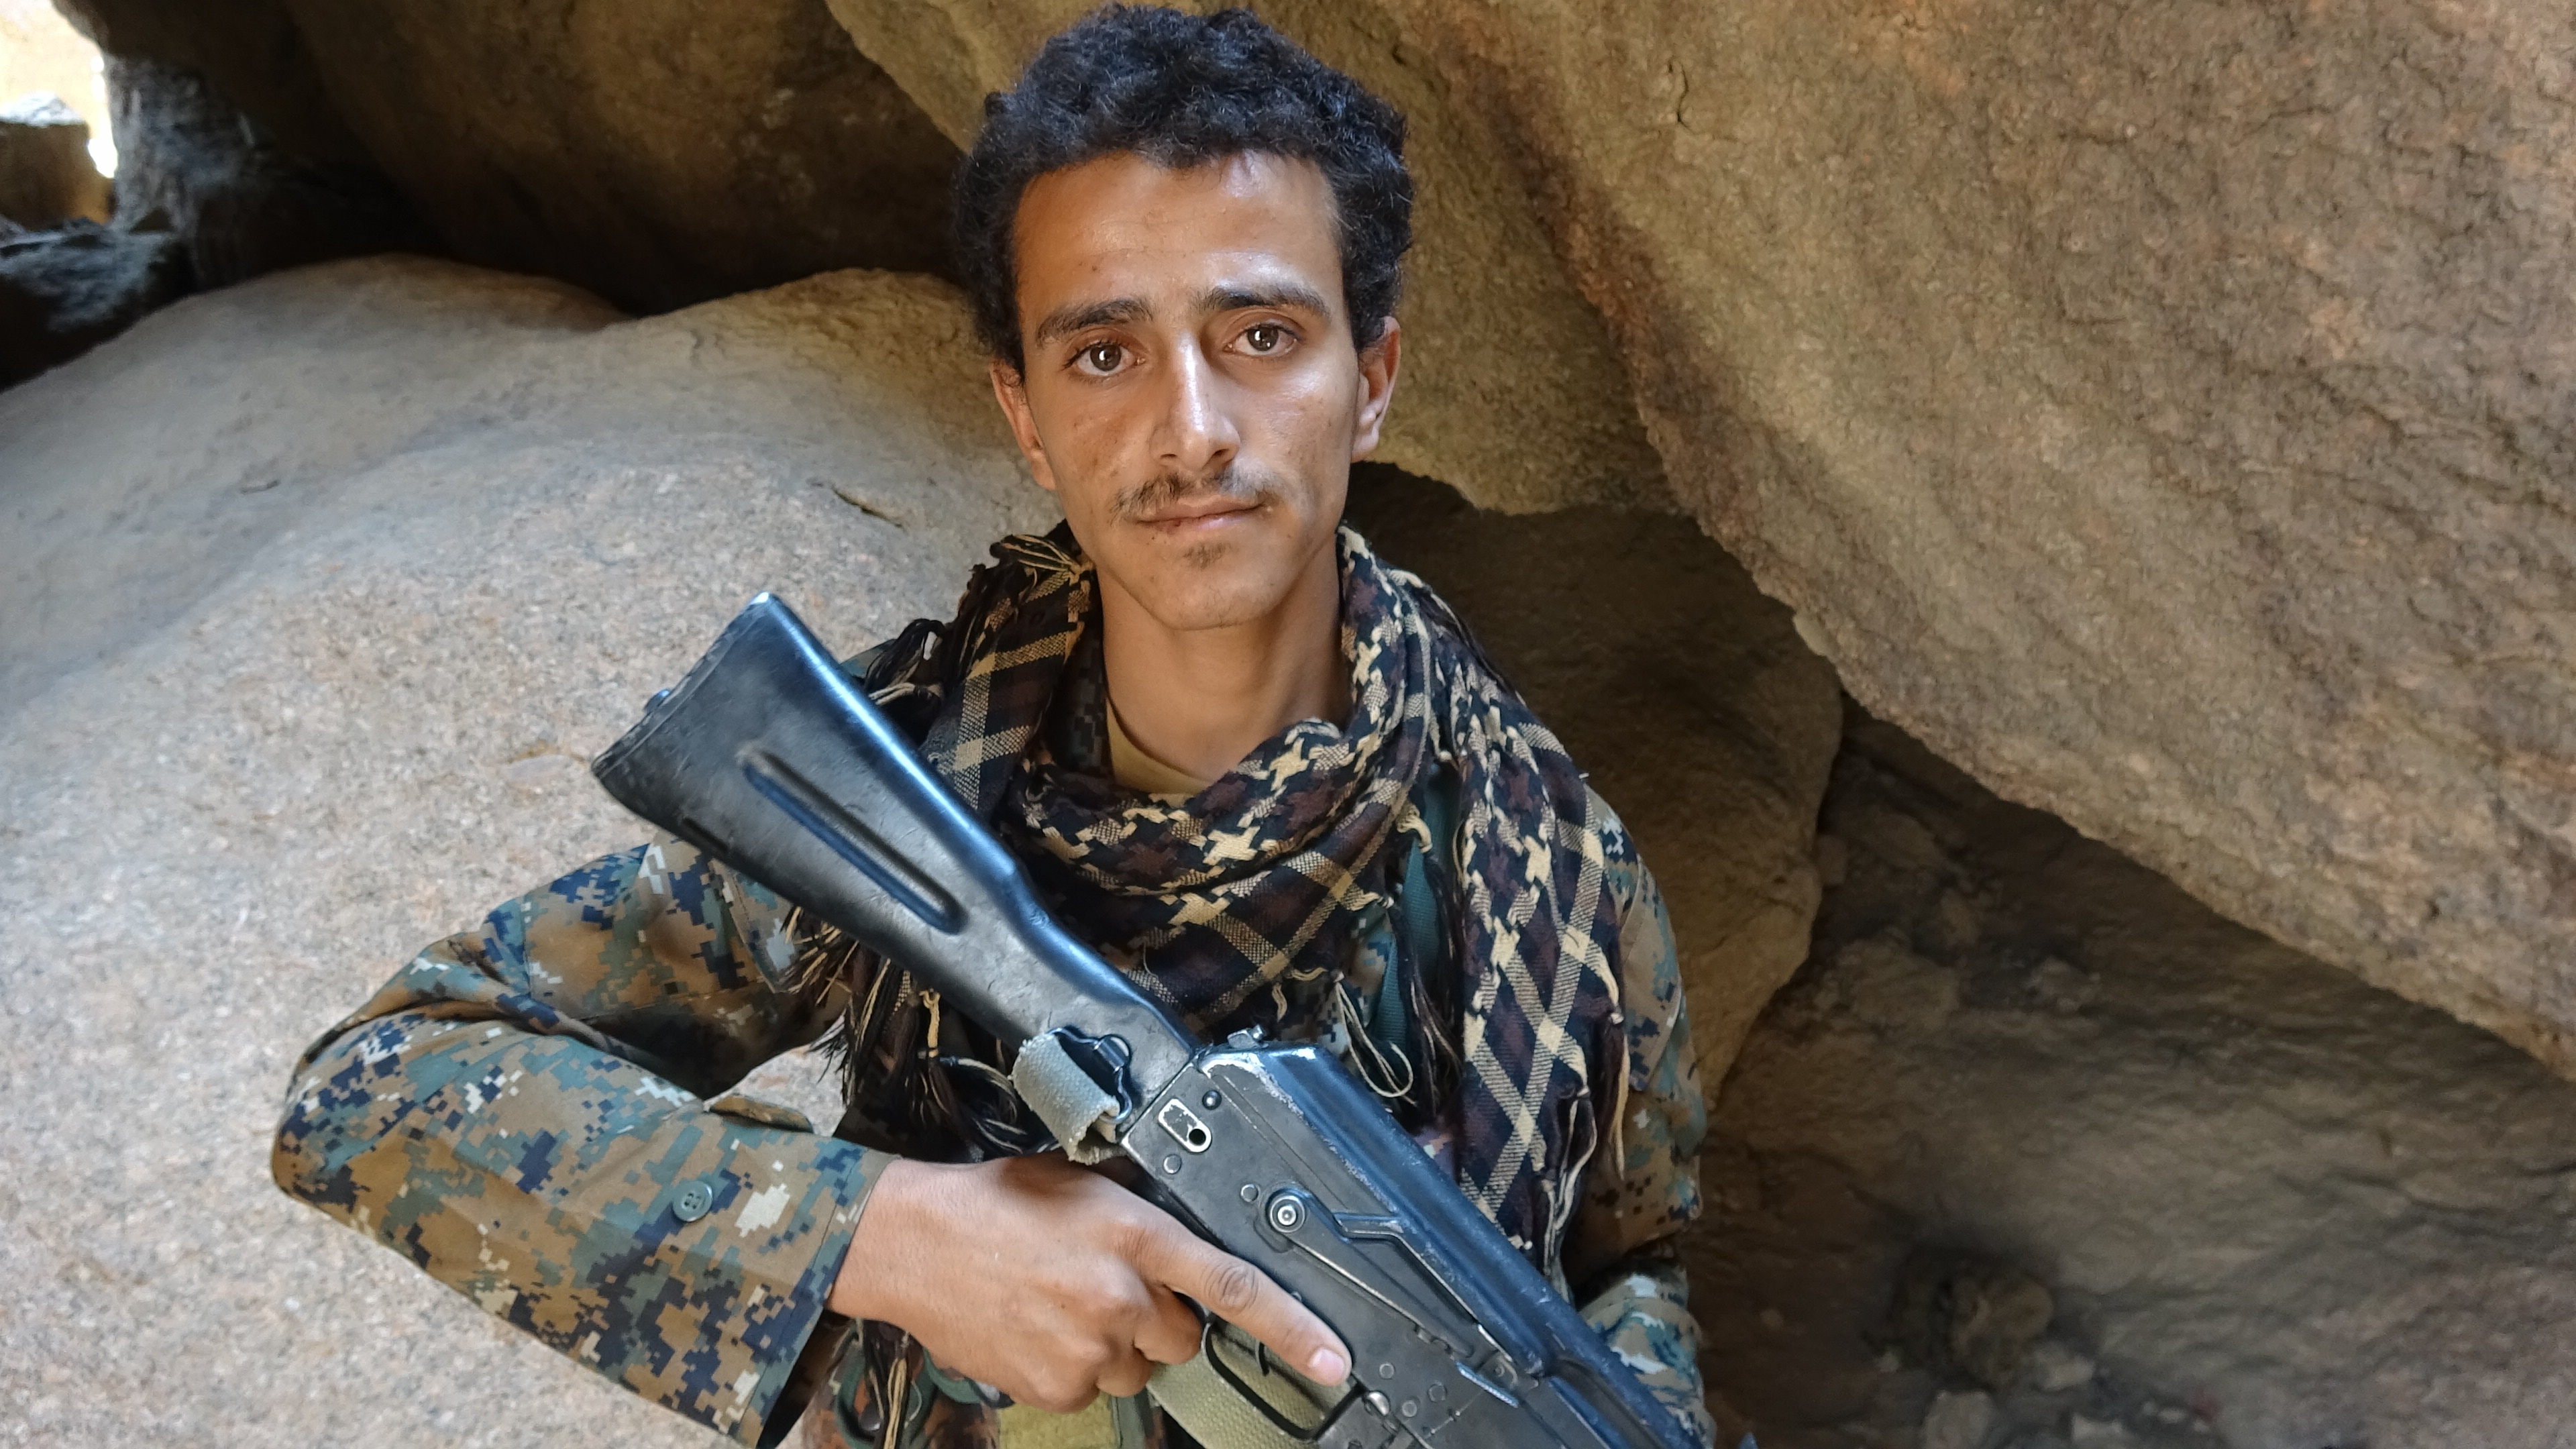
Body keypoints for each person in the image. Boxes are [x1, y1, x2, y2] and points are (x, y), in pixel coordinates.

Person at [270, 9, 1715, 1448]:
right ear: (1024, 418)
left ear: (1373, 381)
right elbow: (376, 1091)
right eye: (1105, 355)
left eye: (1262, 336)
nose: (1193, 428)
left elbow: (1626, 1261)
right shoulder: (904, 779)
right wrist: (885, 1233)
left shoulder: (1554, 871)